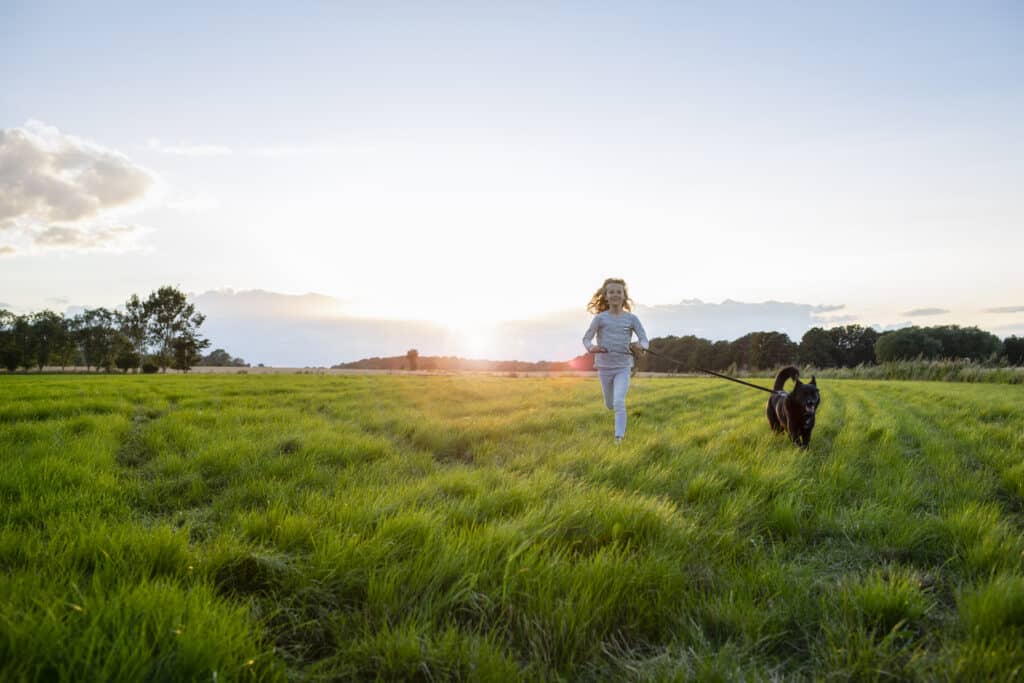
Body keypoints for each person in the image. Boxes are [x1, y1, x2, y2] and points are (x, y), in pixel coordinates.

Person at [582, 278, 649, 443]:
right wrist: (592, 348)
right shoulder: (600, 318)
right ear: (605, 296)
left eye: (619, 292)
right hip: (604, 367)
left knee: (619, 401)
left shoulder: (632, 319)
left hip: (623, 367)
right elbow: (586, 339)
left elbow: (645, 339)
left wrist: (640, 346)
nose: (615, 295)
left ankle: (619, 439)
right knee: (610, 404)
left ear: (624, 295)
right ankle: (612, 411)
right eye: (611, 292)